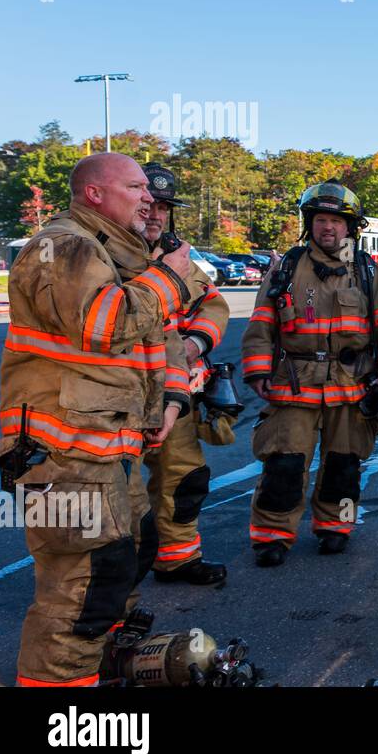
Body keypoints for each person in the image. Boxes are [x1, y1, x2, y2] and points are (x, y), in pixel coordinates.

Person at [0, 152, 192, 686]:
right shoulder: (64, 246)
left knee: (121, 564)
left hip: (106, 448)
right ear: (94, 194)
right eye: (136, 187)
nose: (149, 198)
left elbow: (153, 341)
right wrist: (166, 281)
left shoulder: (113, 250)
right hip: (65, 457)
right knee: (80, 589)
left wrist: (163, 406)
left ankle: (97, 668)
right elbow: (102, 325)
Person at [240, 181, 378, 566]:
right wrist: (257, 371)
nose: (327, 227)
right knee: (283, 463)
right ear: (308, 224)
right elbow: (261, 325)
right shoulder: (286, 268)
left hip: (351, 384)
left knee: (344, 465)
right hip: (294, 382)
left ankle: (336, 527)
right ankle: (271, 536)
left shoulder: (368, 272)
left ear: (351, 227)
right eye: (319, 219)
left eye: (336, 220)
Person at [138, 163, 230, 585]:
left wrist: (195, 345)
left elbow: (212, 305)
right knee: (118, 494)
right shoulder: (104, 252)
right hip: (117, 395)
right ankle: (118, 580)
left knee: (184, 477)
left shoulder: (176, 254)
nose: (155, 214)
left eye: (163, 206)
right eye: (148, 204)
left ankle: (177, 559)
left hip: (174, 390)